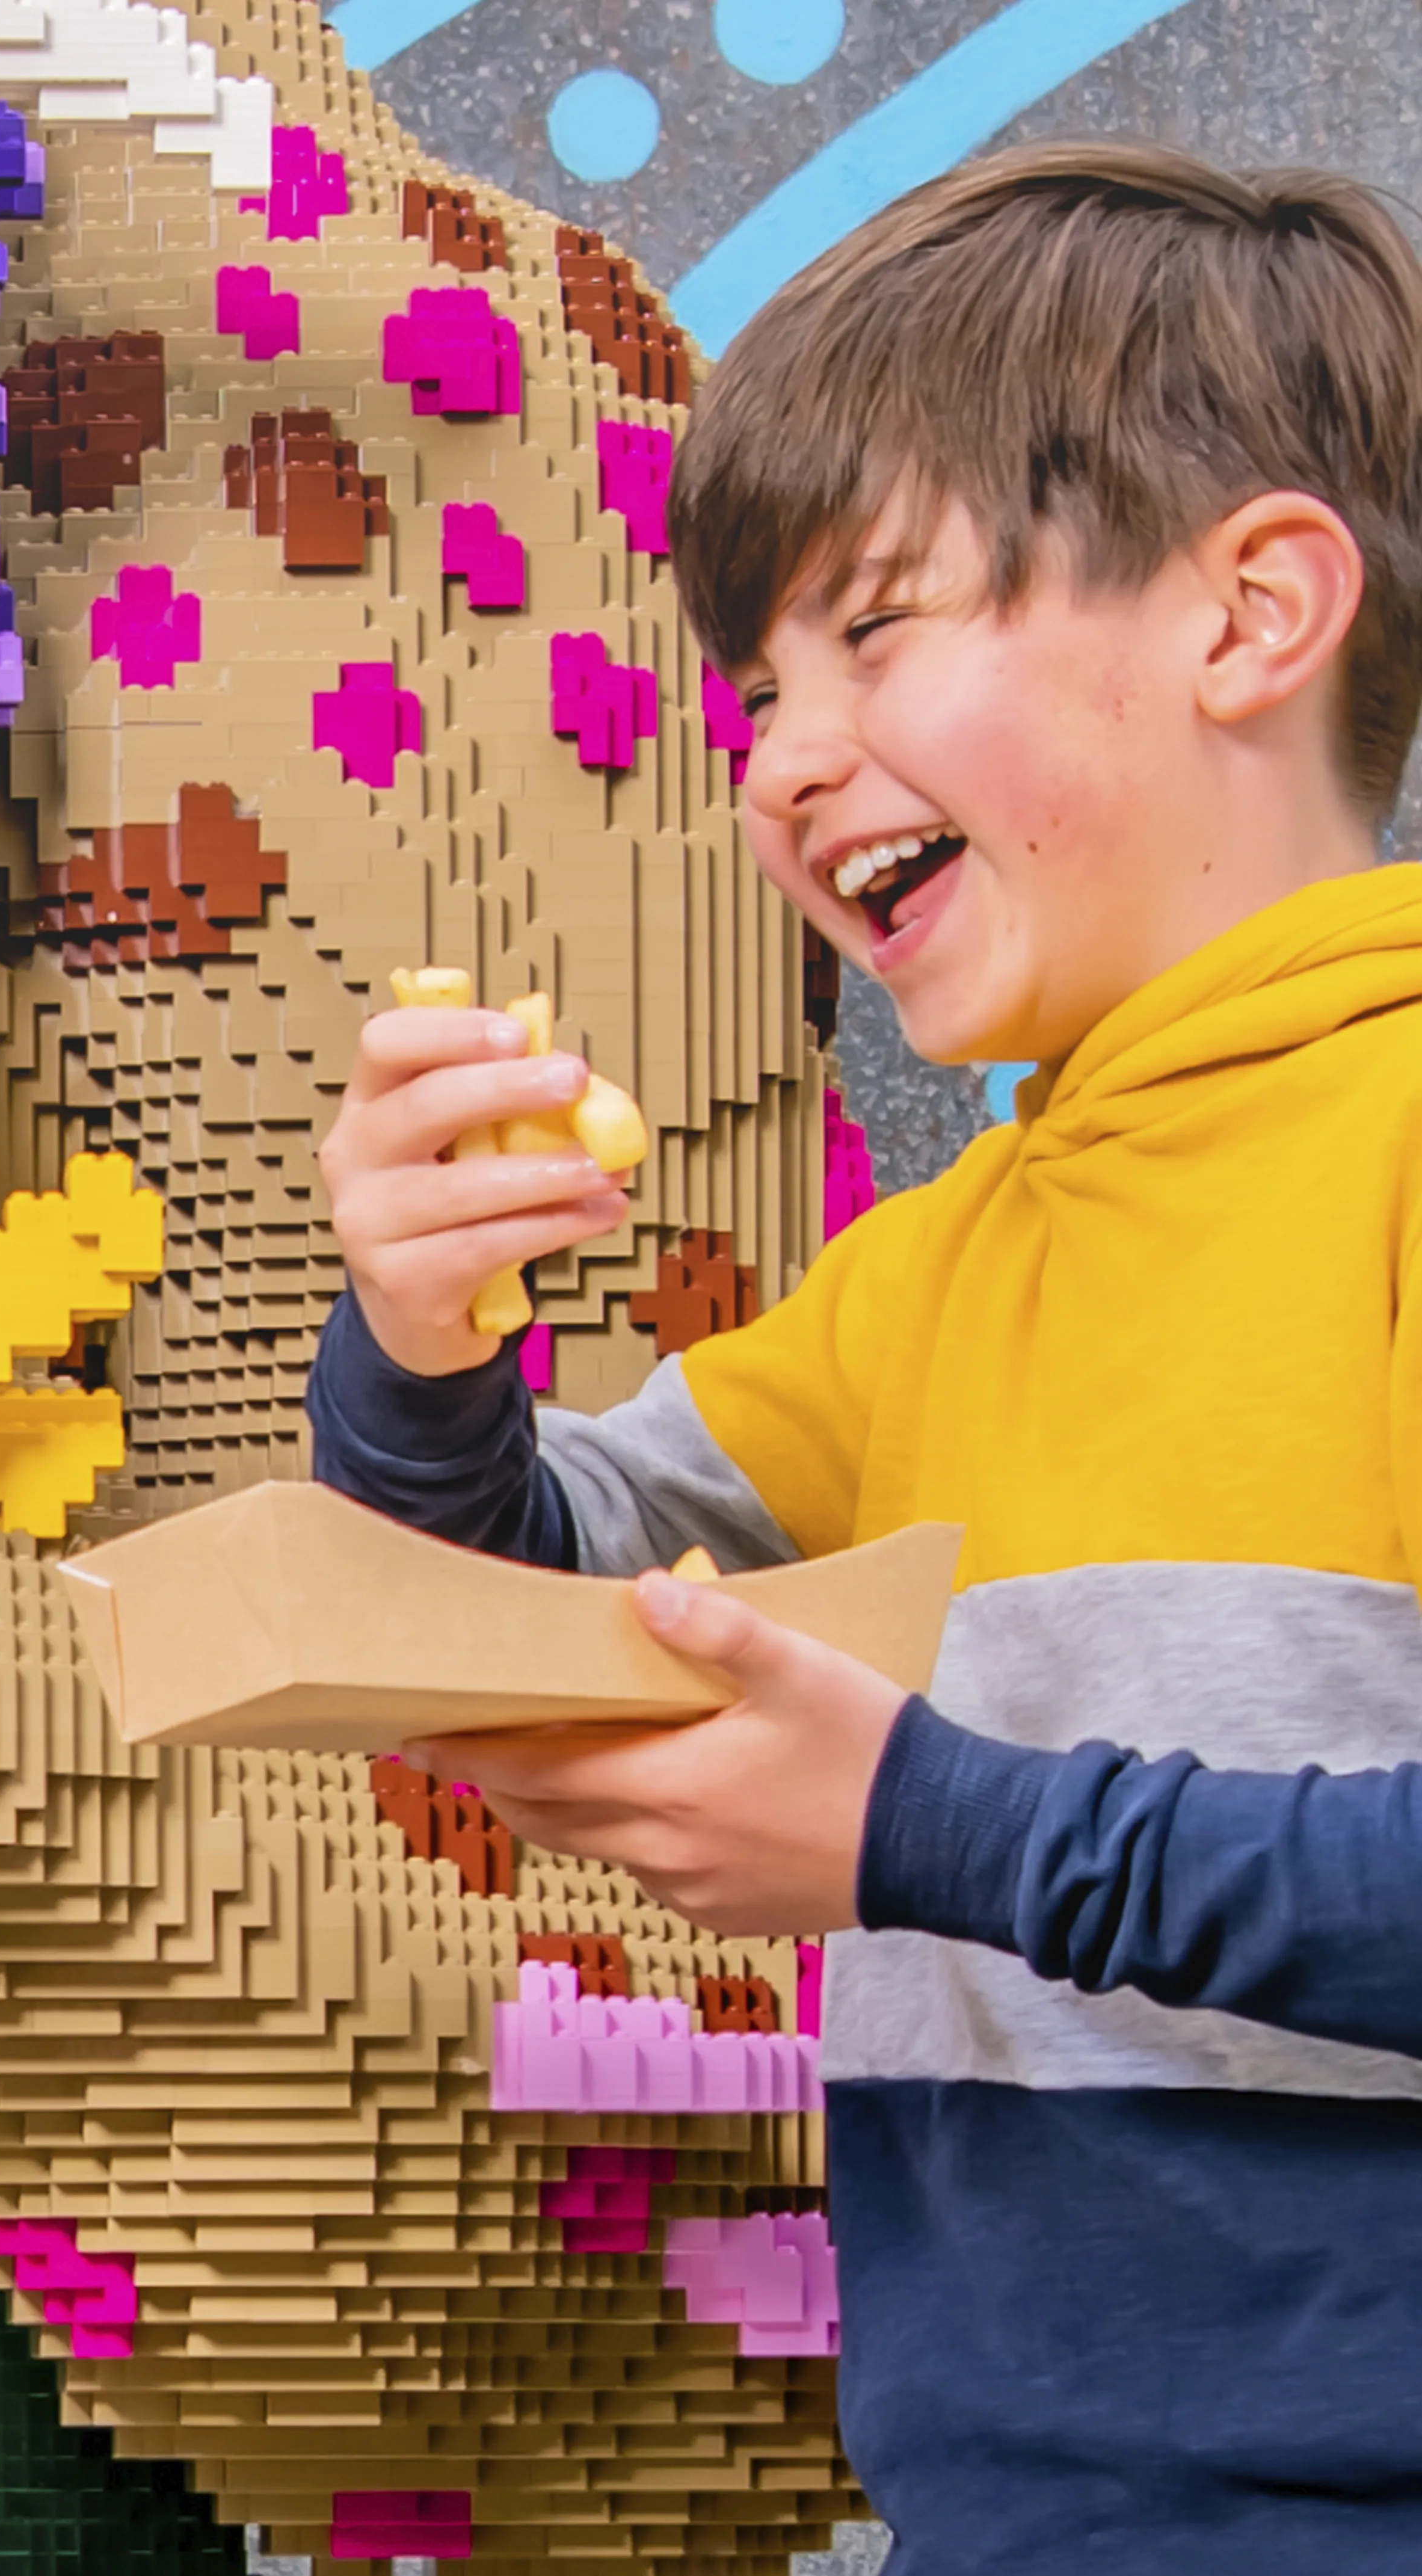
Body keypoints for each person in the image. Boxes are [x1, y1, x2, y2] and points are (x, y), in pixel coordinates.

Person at [304, 141, 1422, 2571]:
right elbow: (499, 1588)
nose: (780, 760)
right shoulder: (940, 1263)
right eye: (752, 686)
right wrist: (422, 1335)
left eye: (875, 629)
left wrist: (926, 1827)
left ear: (1254, 612)